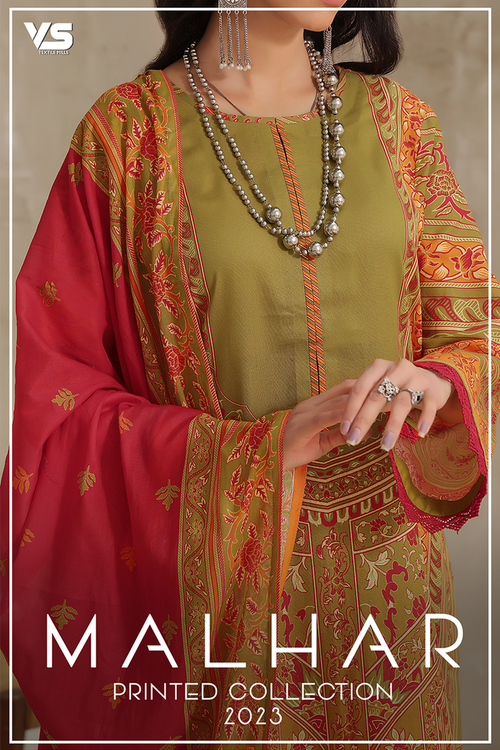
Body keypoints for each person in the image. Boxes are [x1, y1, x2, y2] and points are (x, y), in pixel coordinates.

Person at [1, 0, 498, 746]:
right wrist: (250, 453)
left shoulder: (402, 124)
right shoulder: (127, 137)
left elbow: (476, 331)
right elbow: (59, 404)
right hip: (225, 605)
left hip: (396, 609)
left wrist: (442, 381)